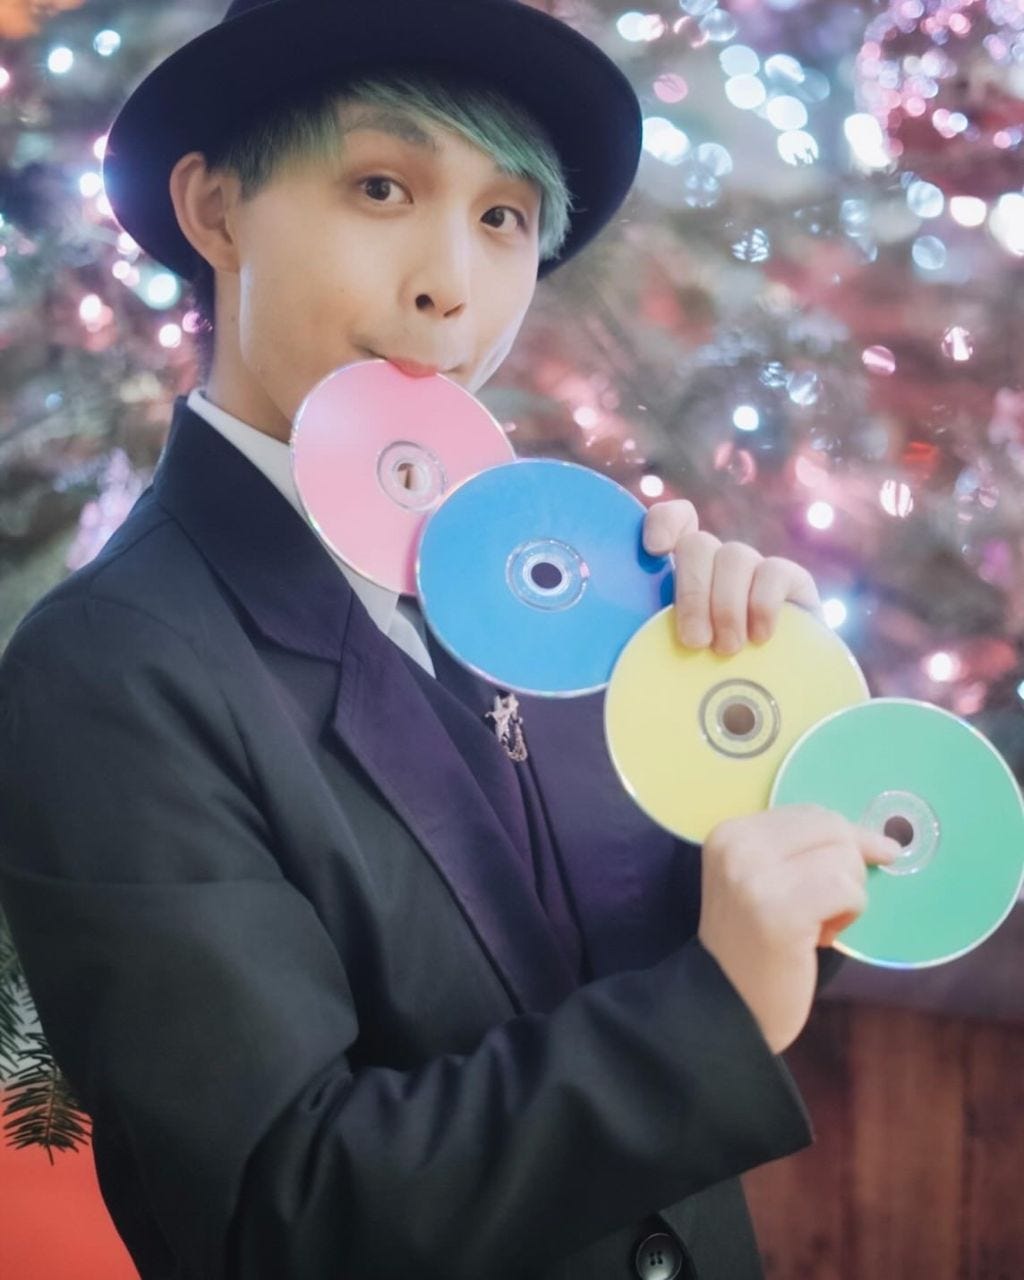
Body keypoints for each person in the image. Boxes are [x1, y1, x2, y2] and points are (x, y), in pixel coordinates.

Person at [0, 1, 901, 1277]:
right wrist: (711, 1015)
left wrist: (764, 738)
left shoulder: (586, 591)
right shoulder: (110, 670)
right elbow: (279, 1212)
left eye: (503, 217)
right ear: (215, 210)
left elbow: (662, 939)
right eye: (381, 187)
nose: (451, 286)